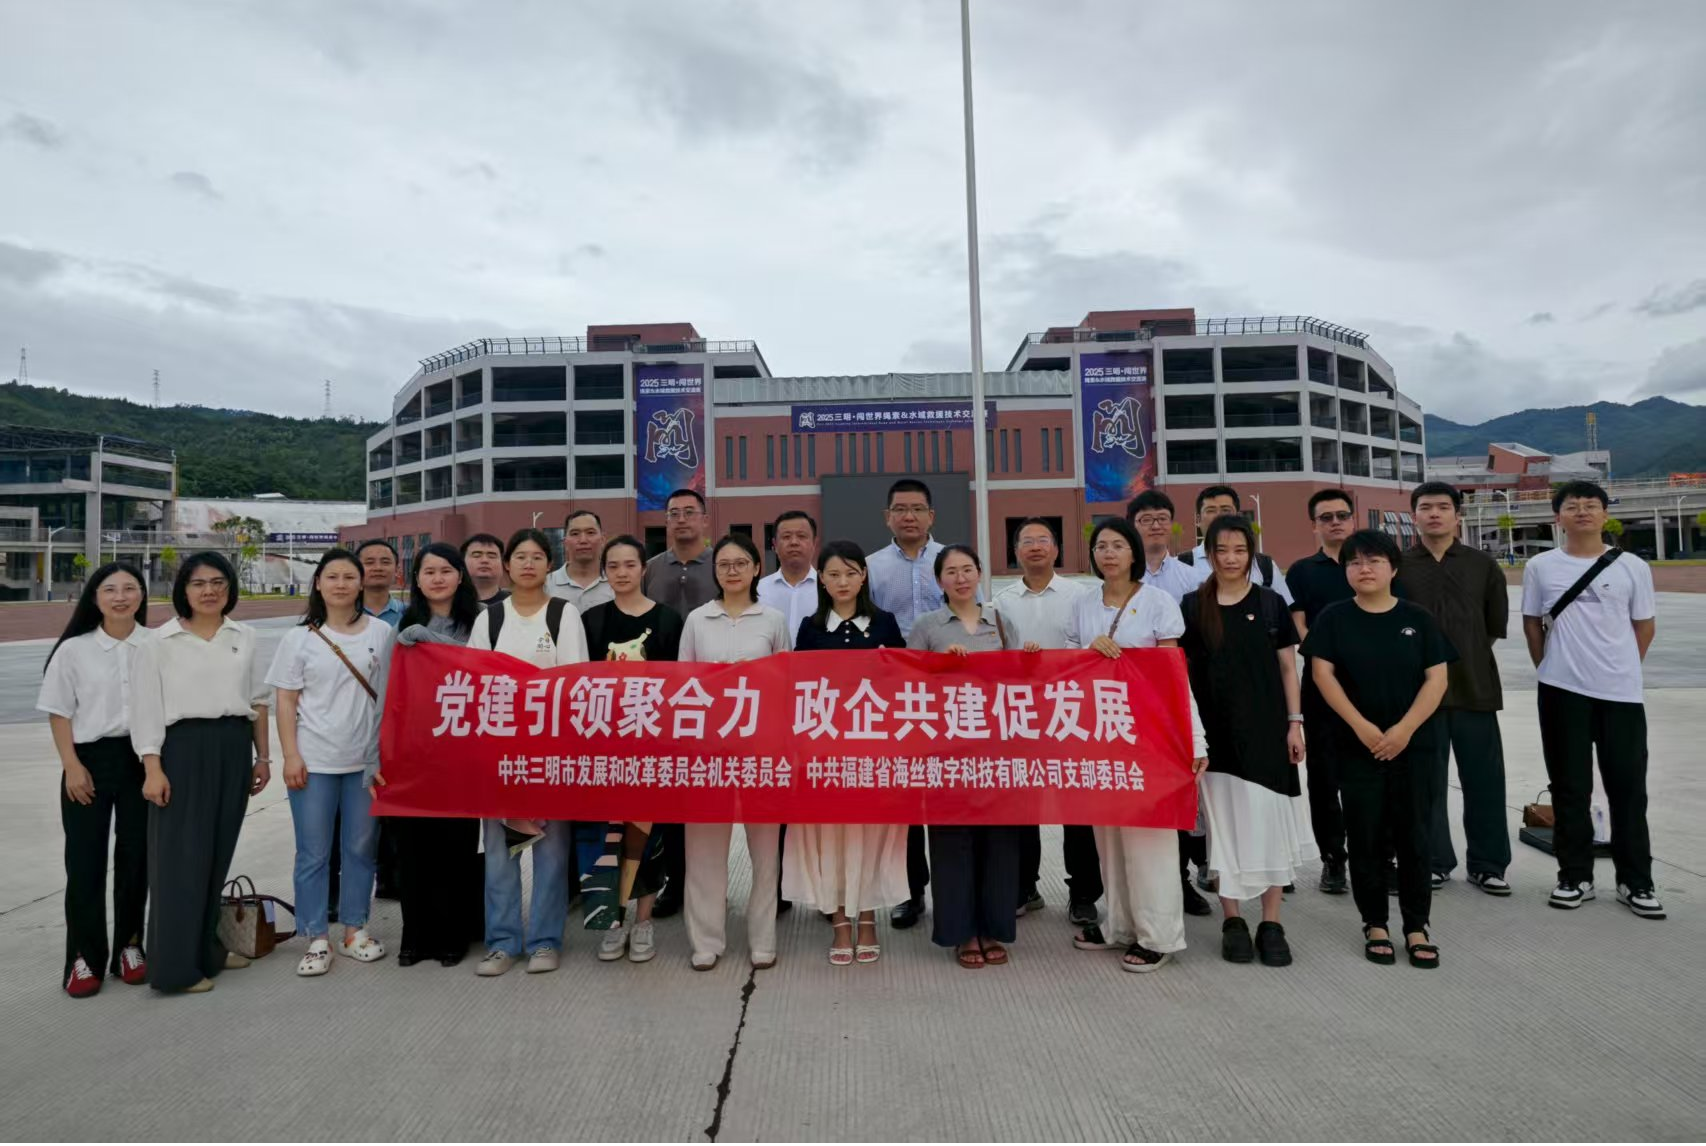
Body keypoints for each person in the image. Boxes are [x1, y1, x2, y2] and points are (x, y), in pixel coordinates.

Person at [1303, 529, 1453, 969]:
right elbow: (1322, 675)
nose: (1363, 569)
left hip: (1414, 746)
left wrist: (1404, 730)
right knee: (1365, 835)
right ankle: (1375, 923)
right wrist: (1363, 727)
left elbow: (1437, 679)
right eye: (1354, 562)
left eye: (1373, 561)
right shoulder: (1334, 617)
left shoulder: (1417, 618)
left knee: (1414, 836)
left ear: (1393, 568)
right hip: (1357, 746)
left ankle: (1417, 925)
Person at [1067, 520, 1207, 974]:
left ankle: (1158, 936)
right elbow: (1068, 668)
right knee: (1109, 838)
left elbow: (1173, 674)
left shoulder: (1157, 602)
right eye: (1100, 546)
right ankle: (1120, 926)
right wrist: (1089, 650)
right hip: (1100, 734)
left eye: (1117, 545)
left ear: (1133, 553)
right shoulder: (1083, 604)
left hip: (1149, 735)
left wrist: (1194, 737)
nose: (1108, 553)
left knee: (1150, 840)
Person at [129, 552, 271, 994]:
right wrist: (152, 768)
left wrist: (263, 757)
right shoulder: (158, 642)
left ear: (230, 587)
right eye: (198, 583)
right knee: (179, 861)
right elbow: (145, 709)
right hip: (182, 750)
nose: (209, 591)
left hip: (233, 746)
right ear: (183, 590)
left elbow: (258, 701)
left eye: (218, 582)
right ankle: (174, 968)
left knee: (215, 856)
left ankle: (207, 950)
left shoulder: (244, 636)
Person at [1521, 481, 1663, 919]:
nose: (1582, 511)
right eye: (1572, 506)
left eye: (1591, 505)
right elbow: (1532, 624)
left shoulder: (1633, 567)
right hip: (1561, 691)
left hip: (1621, 693)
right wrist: (1551, 667)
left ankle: (1635, 881)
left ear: (1605, 515)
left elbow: (1644, 626)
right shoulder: (1541, 566)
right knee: (1569, 787)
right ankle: (1574, 876)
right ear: (1557, 517)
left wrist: (1620, 668)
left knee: (1628, 788)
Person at [1181, 516, 1314, 967]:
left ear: (1251, 554)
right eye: (1221, 550)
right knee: (1224, 832)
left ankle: (1271, 922)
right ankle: (1233, 920)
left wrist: (1295, 724)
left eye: (1240, 550)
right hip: (1214, 738)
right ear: (1209, 555)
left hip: (1268, 733)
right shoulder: (1192, 607)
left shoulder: (1271, 603)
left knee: (1269, 826)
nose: (1231, 559)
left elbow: (1288, 668)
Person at [467, 528, 591, 976]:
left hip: (550, 753)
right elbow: (474, 684)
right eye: (519, 556)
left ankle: (544, 941)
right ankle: (502, 943)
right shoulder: (489, 619)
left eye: (537, 556)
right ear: (507, 565)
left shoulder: (563, 614)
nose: (528, 564)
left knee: (551, 854)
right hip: (500, 755)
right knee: (500, 855)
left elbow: (575, 684)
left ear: (548, 565)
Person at [267, 549, 394, 977]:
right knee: (313, 852)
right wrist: (291, 755)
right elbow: (285, 701)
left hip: (365, 762)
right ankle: (316, 936)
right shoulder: (299, 638)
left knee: (360, 849)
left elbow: (392, 697)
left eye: (349, 577)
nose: (341, 584)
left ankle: (355, 929)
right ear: (318, 584)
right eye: (332, 577)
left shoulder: (381, 632)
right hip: (314, 761)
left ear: (361, 584)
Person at [783, 540, 909, 965]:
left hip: (873, 752)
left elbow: (903, 687)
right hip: (824, 755)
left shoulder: (886, 624)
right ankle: (839, 921)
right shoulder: (810, 628)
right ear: (821, 579)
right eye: (833, 574)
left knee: (870, 836)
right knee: (831, 838)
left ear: (863, 576)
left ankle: (868, 918)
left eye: (851, 573)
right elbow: (798, 690)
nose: (842, 582)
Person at [908, 544, 1034, 969]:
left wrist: (1030, 660)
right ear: (938, 580)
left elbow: (1019, 683)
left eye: (967, 569)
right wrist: (938, 665)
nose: (960, 578)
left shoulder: (999, 621)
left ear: (980, 573)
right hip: (947, 753)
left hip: (996, 750)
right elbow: (907, 683)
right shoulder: (927, 626)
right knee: (952, 842)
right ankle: (961, 932)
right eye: (951, 571)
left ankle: (992, 927)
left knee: (999, 841)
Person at [38, 562, 154, 998]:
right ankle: (83, 958)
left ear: (142, 595)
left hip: (142, 759)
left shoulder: (157, 645)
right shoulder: (74, 650)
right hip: (88, 760)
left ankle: (130, 946)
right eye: (110, 589)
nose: (120, 597)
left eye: (130, 588)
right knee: (84, 861)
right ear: (95, 597)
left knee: (136, 858)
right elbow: (59, 711)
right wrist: (71, 765)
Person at [679, 534, 792, 971]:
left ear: (757, 568)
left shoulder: (773, 619)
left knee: (765, 853)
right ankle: (706, 940)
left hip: (761, 751)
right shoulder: (697, 620)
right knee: (704, 852)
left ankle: (763, 938)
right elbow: (683, 685)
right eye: (724, 564)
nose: (732, 571)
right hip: (708, 752)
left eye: (741, 563)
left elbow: (787, 683)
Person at [1399, 481, 1513, 896]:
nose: (1434, 514)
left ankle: (1488, 864)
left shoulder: (1482, 565)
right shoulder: (1398, 566)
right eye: (1426, 507)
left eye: (1443, 507)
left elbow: (1493, 626)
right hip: (1418, 695)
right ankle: (1433, 861)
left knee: (1485, 781)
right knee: (1426, 783)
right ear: (1413, 516)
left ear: (1457, 515)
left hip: (1474, 688)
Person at [579, 534, 686, 964]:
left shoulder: (668, 621)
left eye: (629, 565)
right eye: (613, 566)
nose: (621, 573)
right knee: (608, 837)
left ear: (644, 569)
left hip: (652, 746)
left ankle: (643, 921)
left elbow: (681, 688)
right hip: (604, 747)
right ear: (604, 571)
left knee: (649, 836)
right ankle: (612, 922)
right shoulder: (591, 621)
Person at [992, 518, 1100, 928]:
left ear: (1056, 549)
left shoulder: (1081, 595)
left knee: (1077, 806)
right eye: (1027, 541)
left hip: (1071, 711)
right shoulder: (1001, 602)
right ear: (1015, 551)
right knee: (1023, 805)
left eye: (1043, 540)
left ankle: (1083, 894)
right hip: (1020, 714)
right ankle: (1025, 887)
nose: (1035, 546)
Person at [392, 542, 485, 966]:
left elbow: (478, 667)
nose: (437, 578)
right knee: (413, 850)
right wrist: (377, 757)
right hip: (411, 755)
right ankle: (416, 938)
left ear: (460, 576)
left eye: (446, 570)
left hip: (462, 755)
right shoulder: (402, 624)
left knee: (456, 848)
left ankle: (453, 936)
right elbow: (388, 694)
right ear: (417, 579)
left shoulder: (479, 622)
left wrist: (427, 639)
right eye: (428, 572)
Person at [1126, 490, 1214, 914]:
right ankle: (1152, 885)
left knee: (1183, 790)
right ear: (1133, 526)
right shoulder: (1119, 578)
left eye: (1162, 517)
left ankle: (1186, 878)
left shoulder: (1192, 580)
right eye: (1146, 519)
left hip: (1183, 697)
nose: (1155, 525)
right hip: (1132, 705)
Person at [867, 478, 947, 930]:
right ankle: (911, 891)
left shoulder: (952, 561)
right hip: (894, 693)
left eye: (917, 508)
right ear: (887, 517)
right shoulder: (872, 567)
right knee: (906, 793)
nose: (909, 516)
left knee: (947, 790)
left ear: (931, 516)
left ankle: (953, 888)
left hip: (948, 692)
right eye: (900, 509)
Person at [643, 487, 717, 919]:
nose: (682, 519)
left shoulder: (722, 562)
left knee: (710, 799)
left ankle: (710, 884)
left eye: (691, 512)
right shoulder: (652, 568)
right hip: (661, 703)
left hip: (714, 702)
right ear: (666, 521)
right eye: (674, 513)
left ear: (705, 520)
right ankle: (674, 880)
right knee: (670, 799)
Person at [1286, 488, 1359, 895]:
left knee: (1371, 774)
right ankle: (1334, 857)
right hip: (1320, 684)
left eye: (1342, 515)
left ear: (1353, 519)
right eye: (1326, 517)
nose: (1335, 523)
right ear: (1314, 525)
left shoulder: (1370, 562)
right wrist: (1328, 657)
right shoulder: (1302, 571)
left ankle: (1378, 855)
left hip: (1372, 686)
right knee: (1325, 777)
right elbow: (1299, 626)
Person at [1184, 485, 1293, 605]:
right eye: (1211, 511)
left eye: (1226, 510)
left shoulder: (1264, 566)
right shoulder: (1182, 564)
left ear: (1238, 516)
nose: (1219, 516)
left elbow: (1288, 608)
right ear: (1198, 520)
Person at [757, 510, 820, 646]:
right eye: (786, 537)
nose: (794, 542)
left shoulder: (827, 589)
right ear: (774, 545)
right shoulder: (758, 590)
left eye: (801, 536)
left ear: (814, 543)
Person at [547, 508, 615, 612]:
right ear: (565, 543)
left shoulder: (617, 582)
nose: (583, 540)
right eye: (575, 534)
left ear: (602, 540)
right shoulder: (546, 585)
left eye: (590, 532)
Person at [356, 539, 405, 626]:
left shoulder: (409, 614)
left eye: (385, 562)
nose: (378, 568)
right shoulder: (344, 613)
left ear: (397, 570)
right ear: (356, 569)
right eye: (369, 562)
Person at [460, 533, 509, 606]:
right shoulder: (448, 603)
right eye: (476, 555)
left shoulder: (515, 604)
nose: (485, 560)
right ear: (462, 562)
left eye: (491, 556)